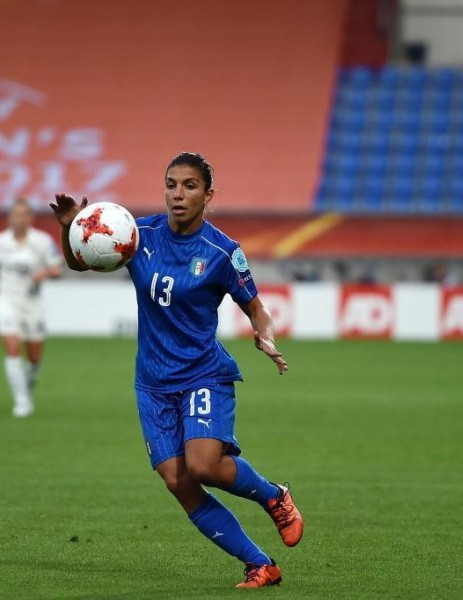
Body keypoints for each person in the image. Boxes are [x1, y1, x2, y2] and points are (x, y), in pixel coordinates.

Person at [50, 152, 302, 589]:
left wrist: (266, 336)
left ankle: (274, 496)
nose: (178, 194)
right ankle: (261, 565)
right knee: (177, 480)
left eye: (189, 186)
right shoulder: (134, 233)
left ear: (208, 194)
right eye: (171, 185)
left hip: (202, 372)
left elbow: (257, 309)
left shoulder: (223, 252)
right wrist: (72, 230)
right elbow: (81, 261)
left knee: (203, 465)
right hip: (152, 382)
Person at [0, 198, 62, 417]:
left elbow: (57, 270)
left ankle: (28, 381)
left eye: (23, 214)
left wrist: (44, 273)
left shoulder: (42, 241)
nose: (19, 218)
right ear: (10, 217)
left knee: (34, 359)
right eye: (15, 214)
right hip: (7, 301)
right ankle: (22, 401)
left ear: (30, 218)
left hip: (33, 304)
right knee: (13, 348)